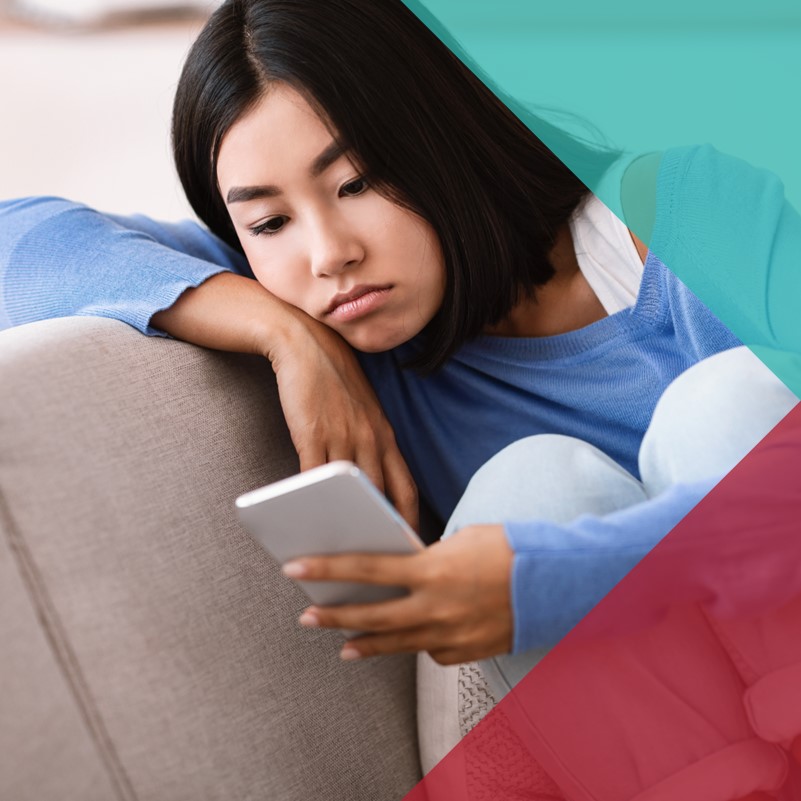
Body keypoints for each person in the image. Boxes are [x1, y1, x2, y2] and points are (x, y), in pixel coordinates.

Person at [2, 1, 800, 798]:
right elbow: (19, 239)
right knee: (526, 487)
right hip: (679, 756)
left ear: (444, 132)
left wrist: (541, 578)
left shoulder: (688, 209)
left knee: (724, 402)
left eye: (357, 181)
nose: (328, 255)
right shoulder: (339, 320)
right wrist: (285, 336)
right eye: (270, 220)